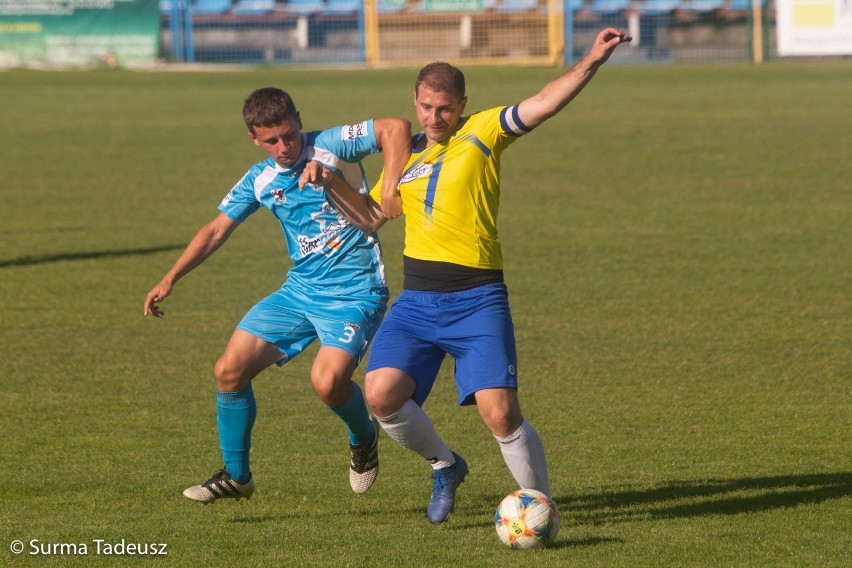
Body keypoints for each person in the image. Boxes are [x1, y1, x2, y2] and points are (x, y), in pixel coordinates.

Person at [302, 27, 631, 524]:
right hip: (417, 302)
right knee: (380, 394)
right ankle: (445, 464)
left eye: (446, 108)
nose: (436, 118)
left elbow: (544, 102)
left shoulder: (484, 131)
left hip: (477, 299)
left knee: (500, 414)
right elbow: (373, 217)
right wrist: (328, 182)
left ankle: (539, 507)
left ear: (462, 105)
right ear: (416, 101)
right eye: (428, 107)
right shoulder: (406, 154)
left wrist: (593, 59)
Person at [143, 87, 410, 503]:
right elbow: (216, 230)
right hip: (300, 291)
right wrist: (170, 277)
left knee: (327, 383)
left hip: (355, 292)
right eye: (272, 140)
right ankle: (237, 476)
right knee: (228, 370)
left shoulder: (332, 144)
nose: (285, 147)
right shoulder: (260, 179)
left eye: (289, 134)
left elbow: (395, 128)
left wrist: (388, 188)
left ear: (299, 120)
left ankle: (363, 436)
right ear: (254, 139)